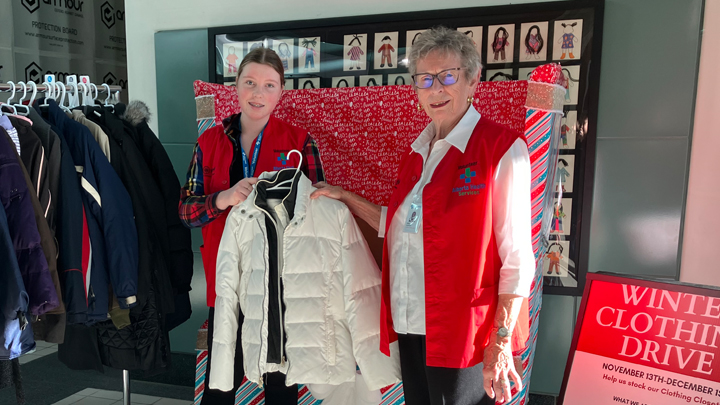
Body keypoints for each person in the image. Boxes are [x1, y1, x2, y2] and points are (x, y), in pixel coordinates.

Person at [311, 26, 535, 405]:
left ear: (472, 80)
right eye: (425, 79)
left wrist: (500, 341)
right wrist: (346, 197)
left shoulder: (501, 148)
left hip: (464, 329)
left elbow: (518, 257)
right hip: (411, 323)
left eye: (448, 76)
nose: (436, 89)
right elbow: (402, 228)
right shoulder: (417, 153)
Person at [179, 47, 324, 405]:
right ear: (236, 86)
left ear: (281, 91)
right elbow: (185, 212)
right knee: (220, 384)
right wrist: (222, 199)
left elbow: (319, 216)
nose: (258, 94)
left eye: (269, 85)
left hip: (279, 285)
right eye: (250, 83)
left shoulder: (300, 142)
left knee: (280, 385)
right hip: (225, 280)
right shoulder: (208, 141)